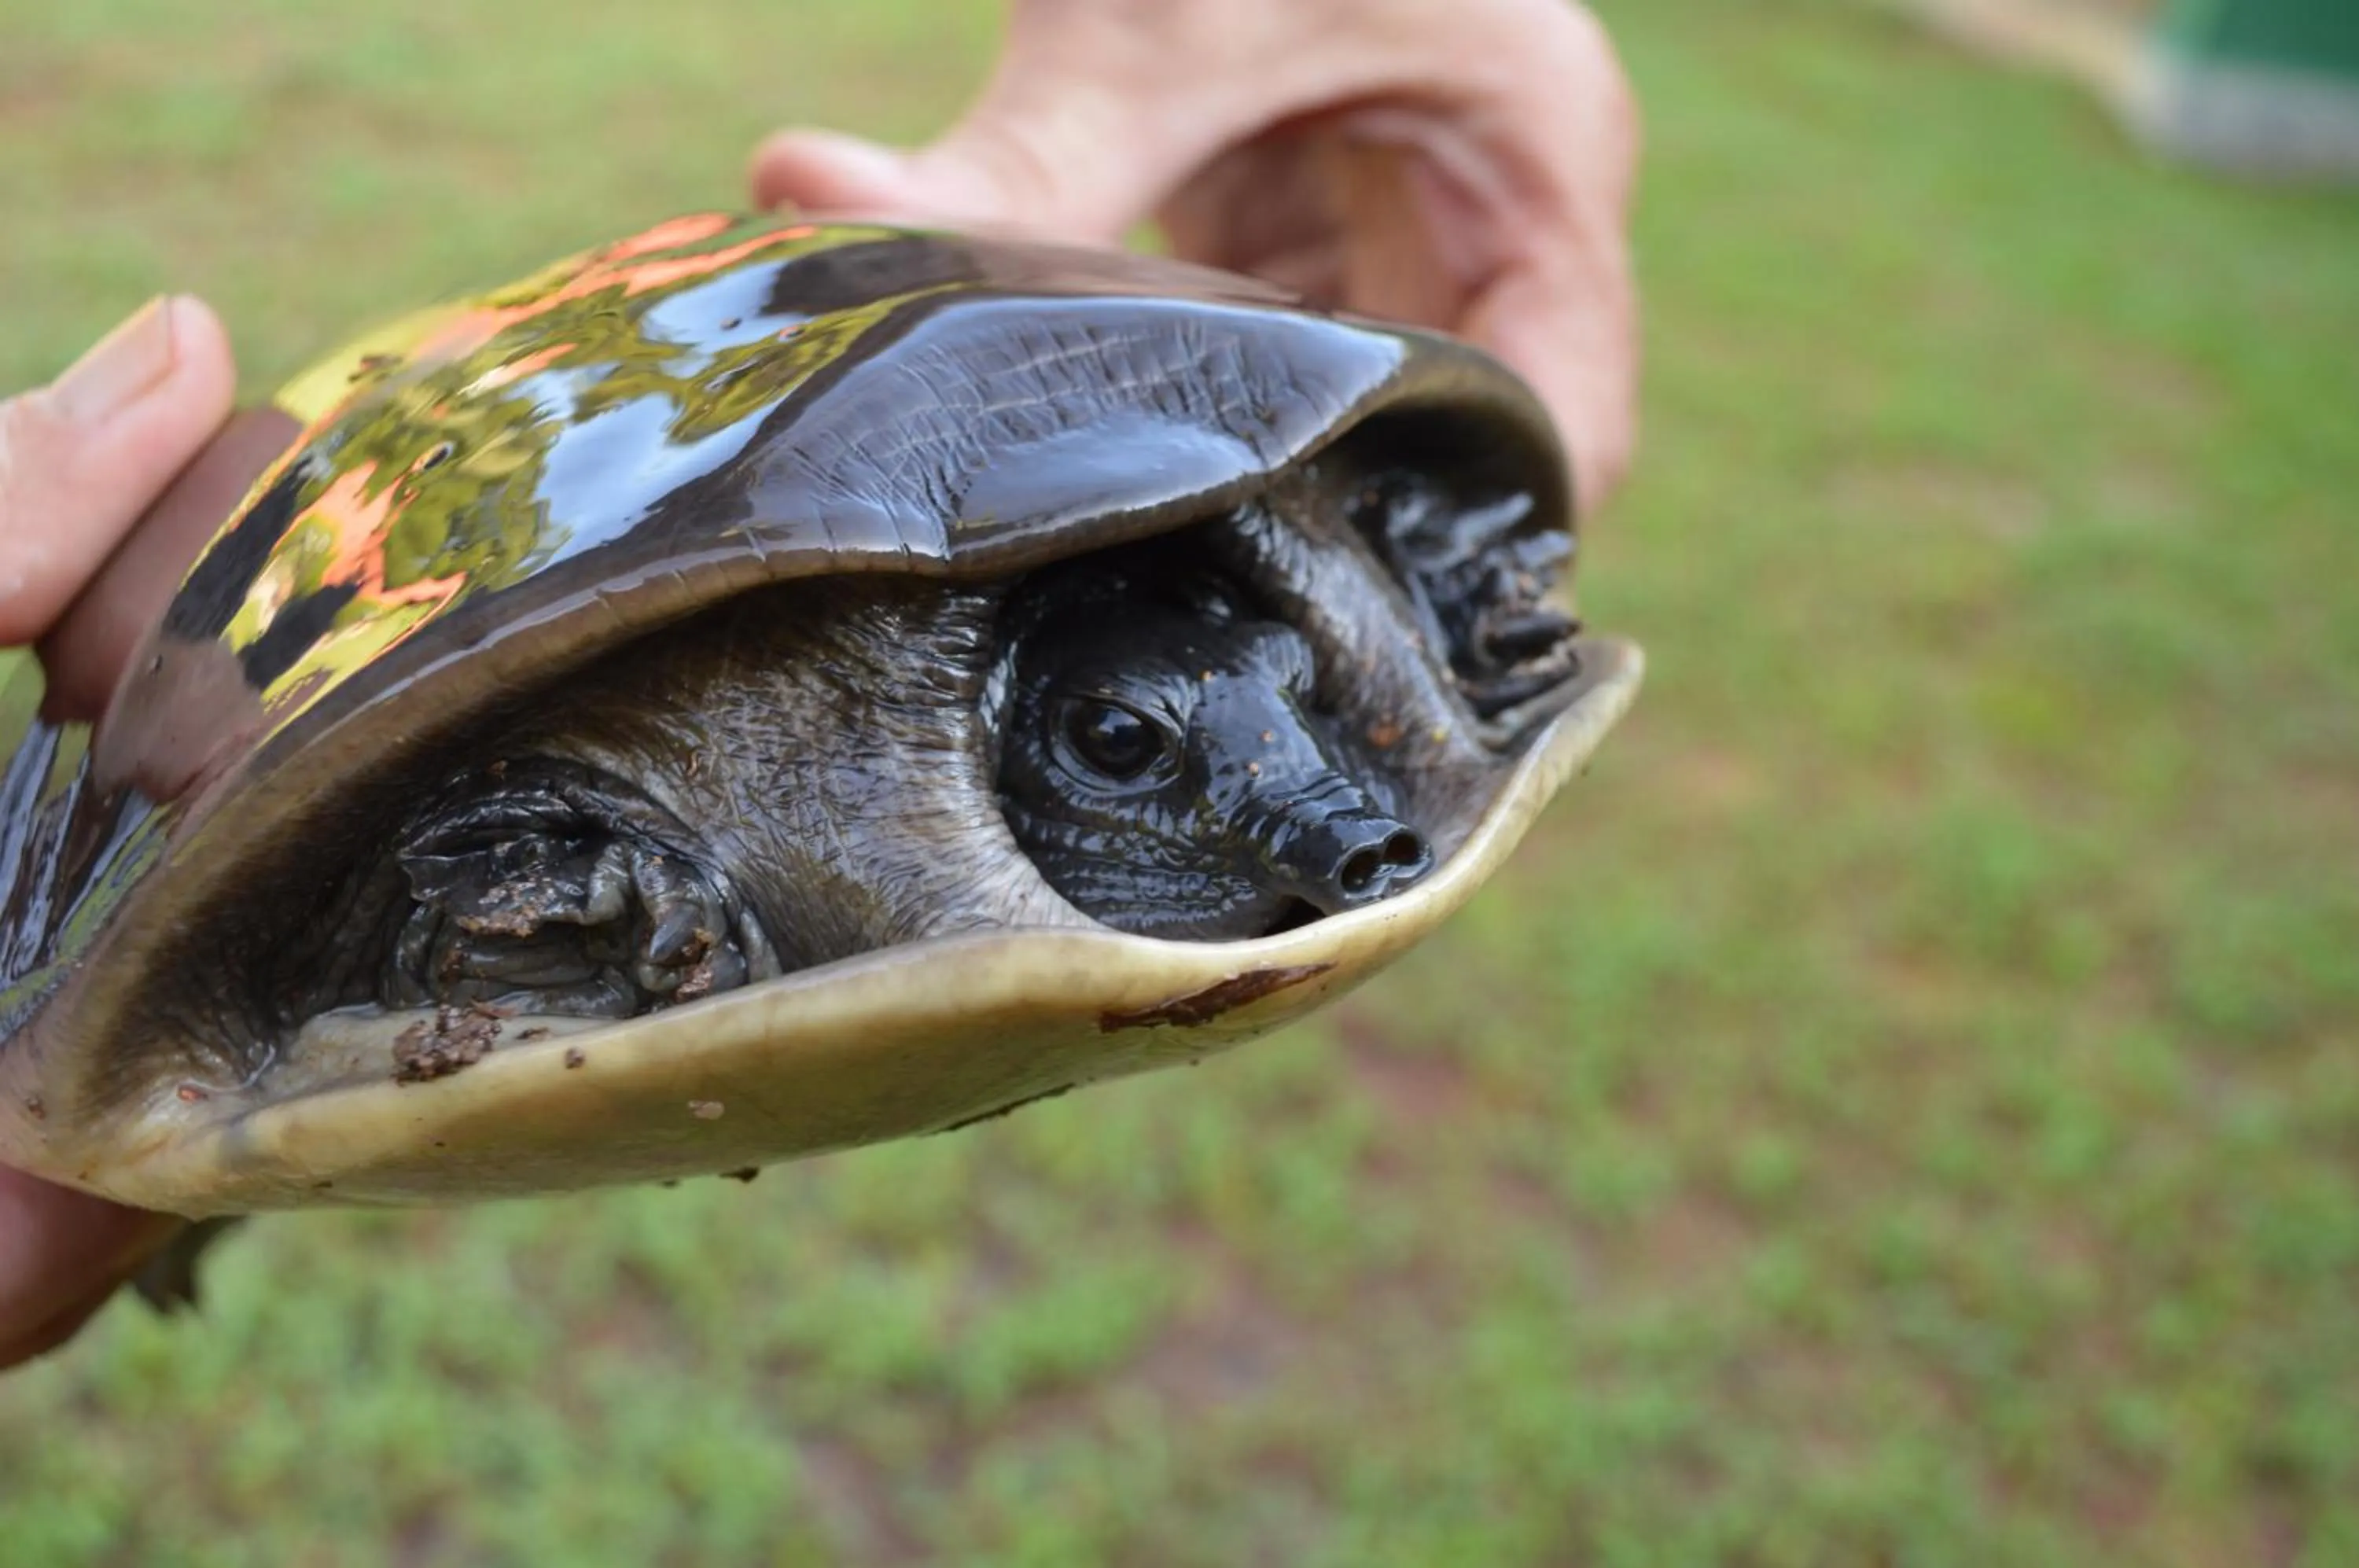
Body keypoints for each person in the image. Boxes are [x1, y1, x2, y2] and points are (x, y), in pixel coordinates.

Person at [0, 0, 1639, 1368]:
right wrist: (611, 888)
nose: (1331, 812)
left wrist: (1424, 606)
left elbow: (1311, 576)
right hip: (422, 563)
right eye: (1125, 753)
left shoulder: (1292, 647)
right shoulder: (634, 783)